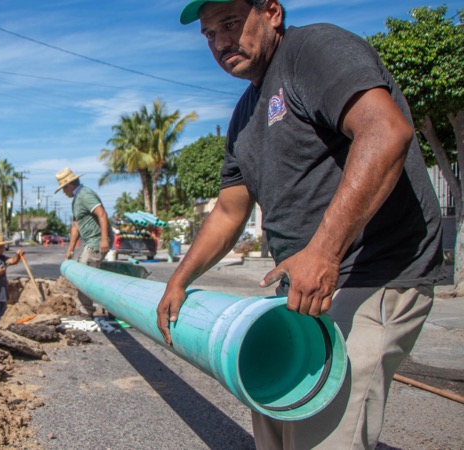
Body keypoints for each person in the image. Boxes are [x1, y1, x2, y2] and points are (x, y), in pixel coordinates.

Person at [157, 1, 445, 448]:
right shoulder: (244, 115)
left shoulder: (313, 51)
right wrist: (179, 279)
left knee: (322, 432)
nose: (219, 42)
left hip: (371, 277)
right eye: (209, 34)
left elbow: (385, 132)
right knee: (277, 420)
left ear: (270, 12)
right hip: (304, 288)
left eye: (230, 23)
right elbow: (231, 211)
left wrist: (325, 251)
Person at [56, 167, 114, 316]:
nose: (64, 192)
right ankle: (88, 308)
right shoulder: (76, 199)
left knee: (84, 276)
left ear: (70, 185)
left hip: (96, 241)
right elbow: (75, 226)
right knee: (84, 272)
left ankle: (86, 311)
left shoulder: (85, 195)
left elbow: (101, 213)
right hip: (90, 242)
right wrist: (70, 249)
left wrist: (103, 239)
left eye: (64, 189)